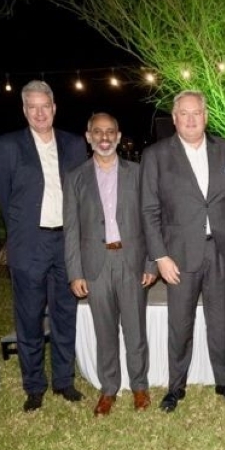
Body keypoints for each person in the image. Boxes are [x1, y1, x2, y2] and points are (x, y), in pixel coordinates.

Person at [141, 90, 225, 412]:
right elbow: (148, 210)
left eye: (196, 112)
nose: (190, 119)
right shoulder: (156, 155)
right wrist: (160, 257)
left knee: (220, 322)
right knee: (180, 325)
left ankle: (224, 381)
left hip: (220, 254)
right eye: (183, 113)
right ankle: (176, 387)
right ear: (174, 118)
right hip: (178, 258)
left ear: (205, 116)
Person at [0, 80, 88, 411]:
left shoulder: (74, 144)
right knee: (29, 317)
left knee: (65, 313)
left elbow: (82, 194)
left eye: (44, 106)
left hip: (66, 242)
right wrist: (21, 234)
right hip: (29, 243)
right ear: (24, 110)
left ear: (54, 107)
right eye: (32, 107)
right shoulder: (7, 145)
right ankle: (34, 386)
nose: (39, 112)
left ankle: (63, 381)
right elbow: (4, 198)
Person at [64, 112, 157, 417]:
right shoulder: (76, 177)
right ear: (88, 137)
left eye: (110, 132)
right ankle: (108, 389)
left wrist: (151, 263)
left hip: (131, 261)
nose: (104, 137)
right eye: (97, 132)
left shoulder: (139, 173)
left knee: (135, 331)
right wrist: (75, 272)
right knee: (104, 331)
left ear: (118, 137)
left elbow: (151, 221)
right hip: (96, 265)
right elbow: (72, 229)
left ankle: (140, 386)